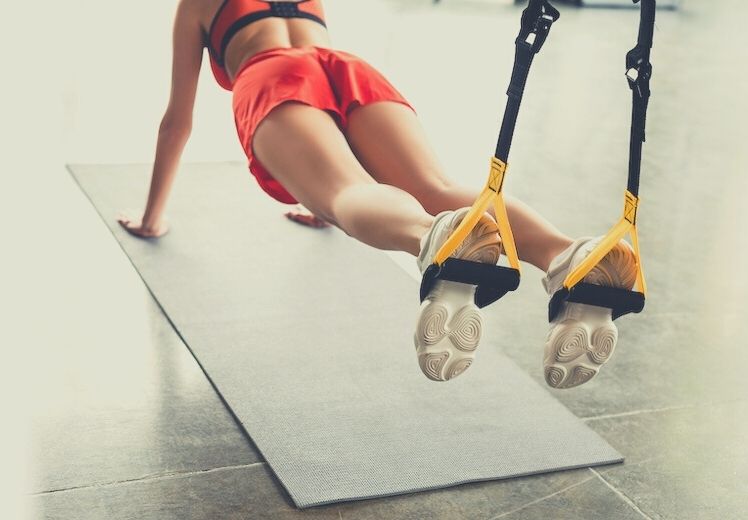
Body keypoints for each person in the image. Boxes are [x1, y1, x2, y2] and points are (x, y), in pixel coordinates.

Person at [118, 0, 637, 388]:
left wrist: (152, 217)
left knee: (347, 193)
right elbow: (322, 87)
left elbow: (176, 122)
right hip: (348, 68)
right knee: (438, 188)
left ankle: (431, 238)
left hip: (270, 75)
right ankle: (568, 253)